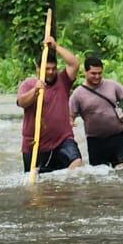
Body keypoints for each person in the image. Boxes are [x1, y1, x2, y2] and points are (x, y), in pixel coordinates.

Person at [70, 54, 123, 167]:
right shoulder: (78, 94)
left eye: (100, 73)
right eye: (93, 73)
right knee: (100, 175)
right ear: (85, 72)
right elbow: (70, 117)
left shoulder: (111, 85)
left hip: (118, 138)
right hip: (95, 141)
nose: (97, 76)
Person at [16, 37, 83, 174]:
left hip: (62, 140)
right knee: (36, 182)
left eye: (53, 69)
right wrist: (35, 91)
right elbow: (22, 103)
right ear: (38, 69)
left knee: (76, 163)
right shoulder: (28, 84)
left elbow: (74, 64)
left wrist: (55, 47)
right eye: (47, 69)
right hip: (34, 144)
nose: (51, 72)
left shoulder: (63, 80)